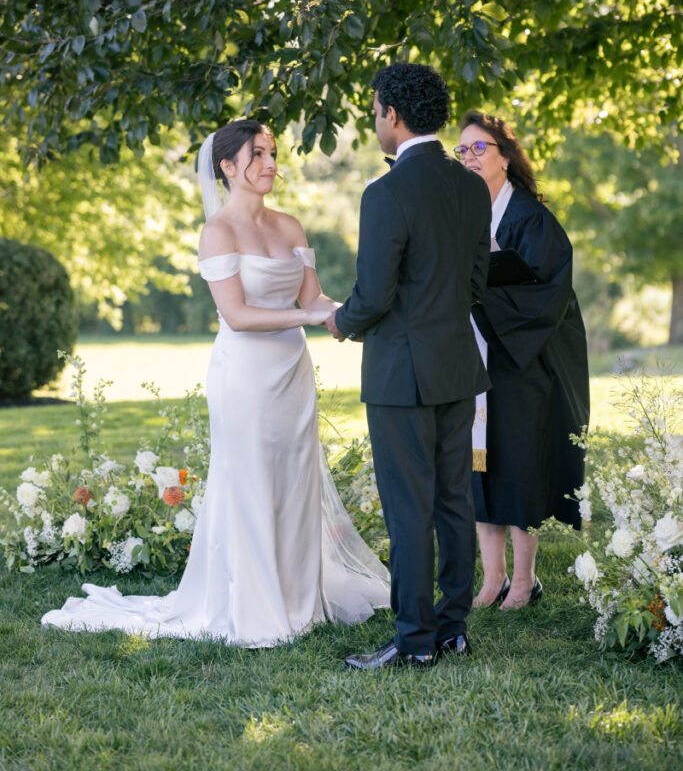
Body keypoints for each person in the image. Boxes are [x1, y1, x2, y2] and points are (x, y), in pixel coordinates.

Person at [42, 120, 390, 645]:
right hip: (245, 374)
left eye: (274, 153)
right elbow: (239, 314)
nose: (271, 163)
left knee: (295, 481)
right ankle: (256, 606)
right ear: (227, 167)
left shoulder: (291, 226)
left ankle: (300, 599)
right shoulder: (218, 232)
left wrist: (359, 314)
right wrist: (312, 320)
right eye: (258, 155)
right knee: (249, 480)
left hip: (291, 374)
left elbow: (315, 301)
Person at [325, 64, 492, 669]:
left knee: (408, 507)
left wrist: (341, 321)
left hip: (401, 375)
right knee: (454, 499)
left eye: (374, 111)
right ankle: (453, 629)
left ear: (392, 115)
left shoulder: (385, 192)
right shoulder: (472, 187)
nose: (374, 122)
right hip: (457, 365)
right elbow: (477, 283)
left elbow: (373, 294)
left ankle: (414, 641)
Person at [455, 111, 589, 610]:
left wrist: (483, 298)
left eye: (479, 148)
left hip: (520, 359)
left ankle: (525, 580)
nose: (468, 157)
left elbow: (550, 295)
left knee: (516, 466)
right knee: (478, 467)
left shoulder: (531, 218)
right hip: (473, 357)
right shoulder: (462, 214)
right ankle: (492, 578)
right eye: (461, 150)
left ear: (506, 156)